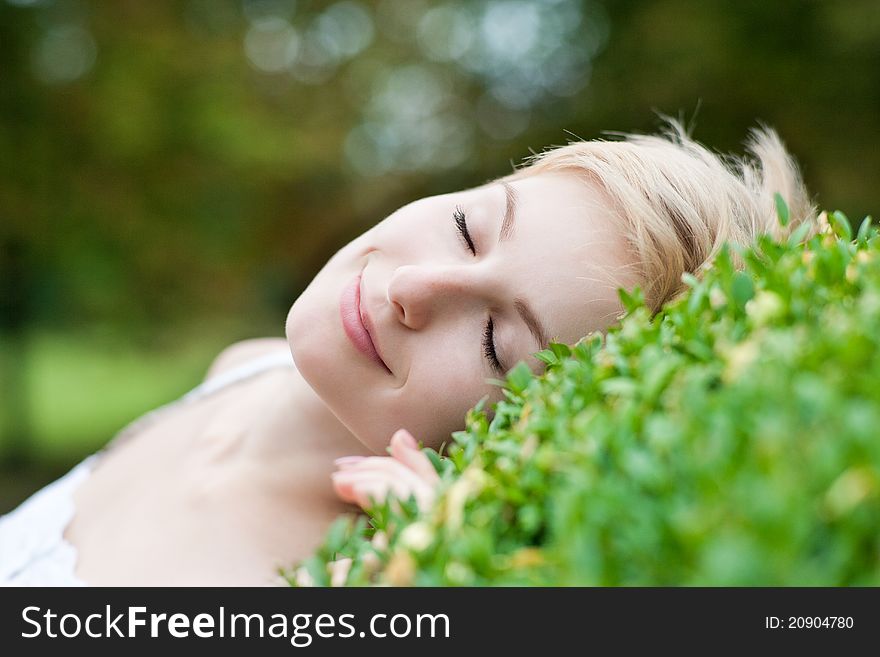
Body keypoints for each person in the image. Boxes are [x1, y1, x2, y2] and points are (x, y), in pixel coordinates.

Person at [0, 119, 817, 586]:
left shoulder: (345, 584)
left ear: (524, 426)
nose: (416, 288)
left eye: (497, 339)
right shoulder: (239, 367)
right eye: (468, 226)